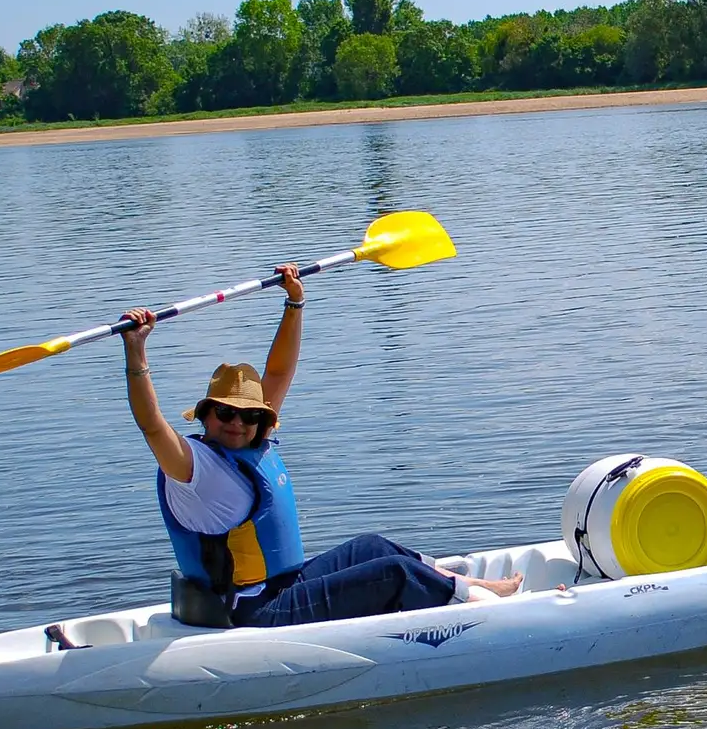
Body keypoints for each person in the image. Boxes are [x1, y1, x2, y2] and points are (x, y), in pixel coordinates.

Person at [121, 263, 519, 628]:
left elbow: (278, 371)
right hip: (253, 610)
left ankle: (468, 585)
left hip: (284, 585)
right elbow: (152, 427)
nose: (238, 423)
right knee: (393, 572)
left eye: (250, 415)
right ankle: (493, 613)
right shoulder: (193, 469)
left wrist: (295, 301)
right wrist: (136, 351)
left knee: (373, 546)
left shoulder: (251, 440)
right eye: (225, 414)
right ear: (206, 416)